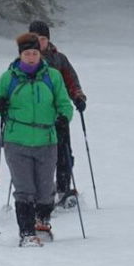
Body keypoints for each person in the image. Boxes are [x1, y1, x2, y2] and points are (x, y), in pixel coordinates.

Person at [0, 33, 75, 246]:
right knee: (24, 189)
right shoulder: (9, 77)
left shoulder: (52, 76)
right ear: (20, 55)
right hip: (17, 140)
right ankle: (26, 233)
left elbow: (64, 103)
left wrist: (64, 118)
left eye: (35, 53)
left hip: (47, 139)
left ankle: (42, 222)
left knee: (45, 190)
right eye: (27, 53)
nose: (31, 57)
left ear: (40, 54)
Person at [29, 19, 89, 207]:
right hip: (34, 119)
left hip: (59, 116)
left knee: (63, 153)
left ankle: (63, 188)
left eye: (43, 38)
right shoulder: (27, 59)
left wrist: (78, 96)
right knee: (37, 156)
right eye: (36, 38)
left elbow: (72, 80)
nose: (40, 42)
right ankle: (39, 193)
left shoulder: (59, 59)